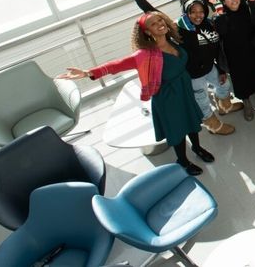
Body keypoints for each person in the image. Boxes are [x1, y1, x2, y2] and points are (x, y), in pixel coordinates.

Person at [58, 10, 213, 176]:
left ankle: (197, 148)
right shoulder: (145, 55)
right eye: (153, 24)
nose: (160, 24)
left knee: (191, 119)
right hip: (168, 97)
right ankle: (182, 160)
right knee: (177, 128)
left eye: (160, 20)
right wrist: (87, 72)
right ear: (147, 32)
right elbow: (116, 65)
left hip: (184, 89)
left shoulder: (173, 39)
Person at [121, 0, 239, 136]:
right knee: (202, 101)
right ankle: (213, 124)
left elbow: (215, 47)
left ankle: (225, 105)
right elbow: (153, 13)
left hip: (211, 68)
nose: (198, 15)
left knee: (224, 85)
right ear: (187, 13)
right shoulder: (179, 30)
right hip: (193, 75)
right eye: (193, 12)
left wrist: (221, 69)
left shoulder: (210, 24)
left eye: (201, 12)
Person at [209, 0, 255, 121]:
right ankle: (247, 103)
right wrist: (219, 12)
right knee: (240, 81)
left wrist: (252, 0)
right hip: (234, 57)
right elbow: (222, 30)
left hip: (252, 51)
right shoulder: (219, 16)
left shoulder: (247, 9)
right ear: (224, 1)